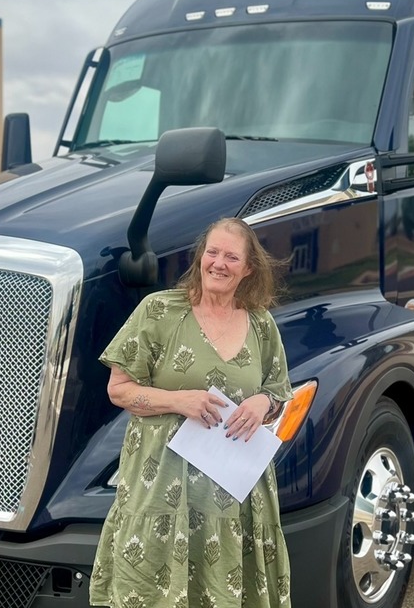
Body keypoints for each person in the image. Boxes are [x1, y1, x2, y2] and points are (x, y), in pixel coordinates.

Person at [90, 218, 293, 608]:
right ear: (200, 257)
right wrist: (178, 401)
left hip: (232, 494)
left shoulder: (261, 324)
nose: (219, 263)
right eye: (212, 252)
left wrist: (263, 402)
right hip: (161, 489)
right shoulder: (160, 311)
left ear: (248, 268)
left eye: (231, 257)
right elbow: (118, 389)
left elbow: (278, 393)